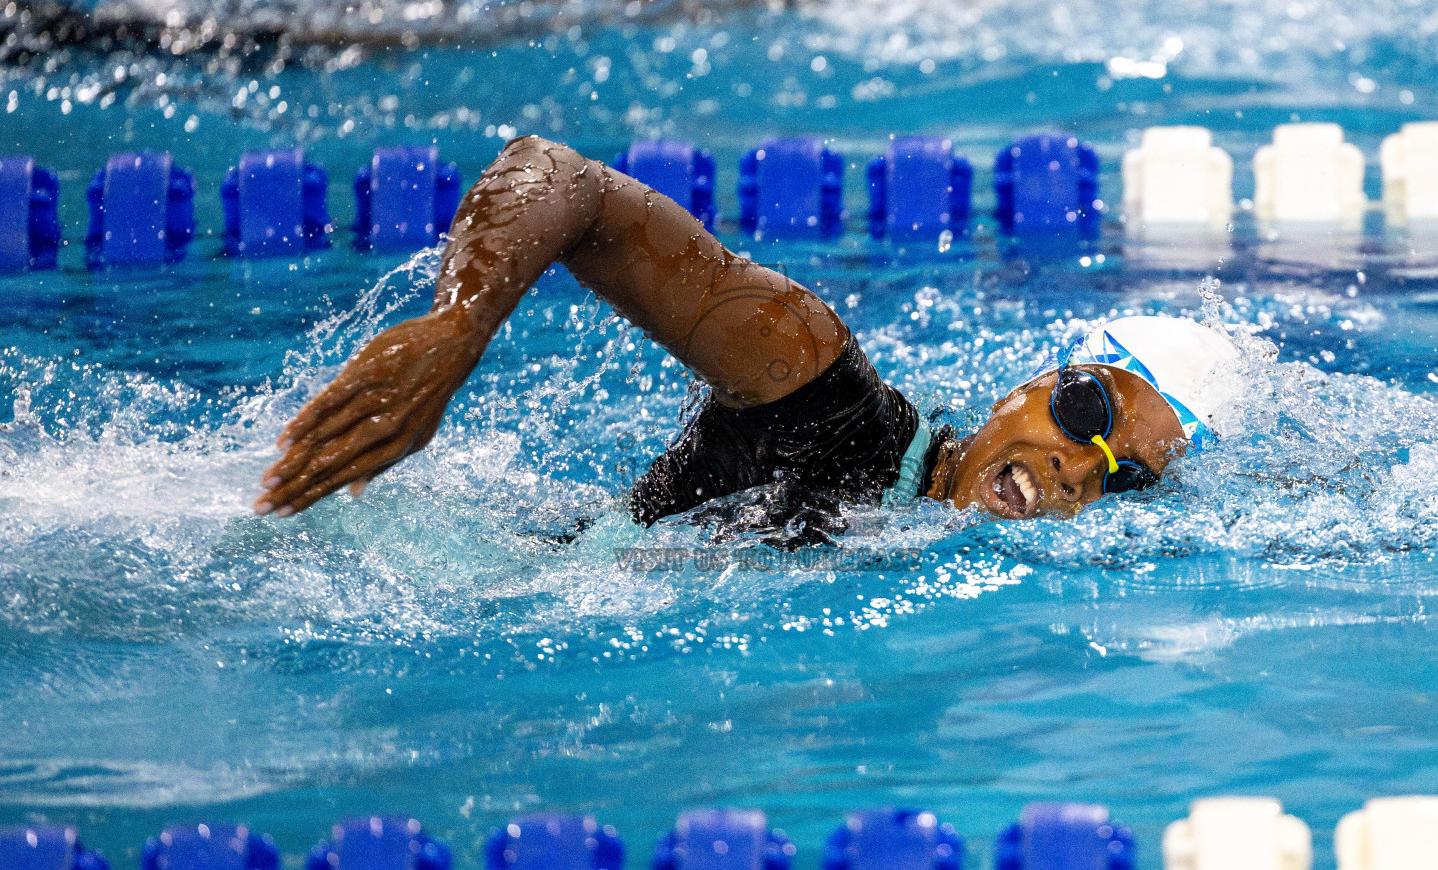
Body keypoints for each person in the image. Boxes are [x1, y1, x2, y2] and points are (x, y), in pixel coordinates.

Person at [254, 136, 1238, 527]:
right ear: (1026, 385)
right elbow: (563, 179)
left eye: (1123, 475)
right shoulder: (817, 383)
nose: (1080, 463)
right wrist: (460, 324)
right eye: (1083, 409)